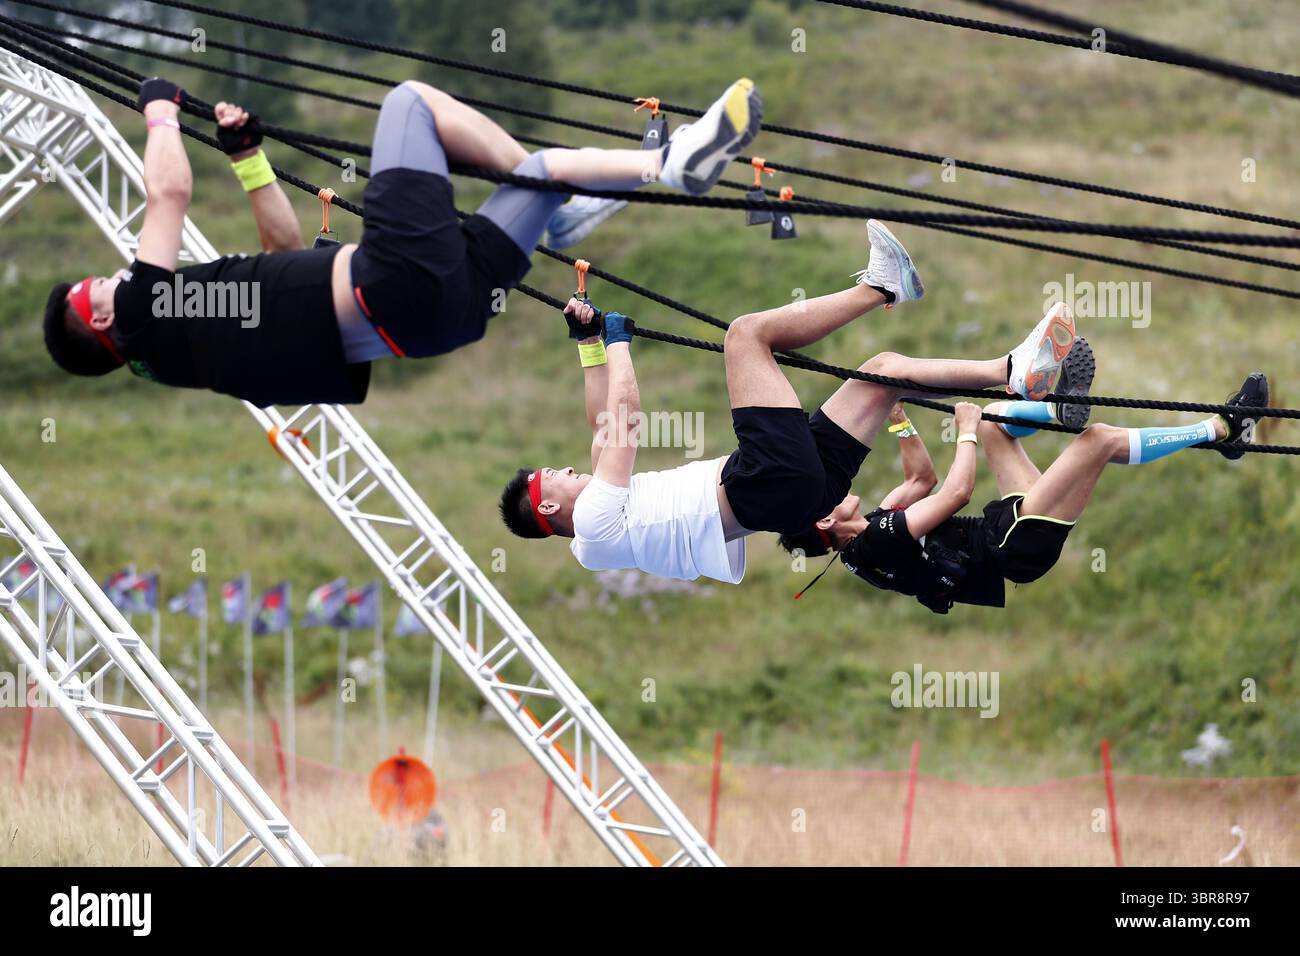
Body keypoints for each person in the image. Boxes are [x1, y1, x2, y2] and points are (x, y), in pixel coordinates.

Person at [41, 75, 763, 407]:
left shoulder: (188, 343)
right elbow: (167, 193)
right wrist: (159, 112)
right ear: (100, 318)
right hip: (391, 275)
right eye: (98, 286)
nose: (115, 278)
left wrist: (249, 159)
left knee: (541, 173)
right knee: (406, 101)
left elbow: (282, 257)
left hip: (440, 319)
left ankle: (668, 167)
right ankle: (576, 205)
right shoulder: (143, 313)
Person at [499, 220, 1093, 585]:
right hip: (761, 485)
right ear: (547, 506)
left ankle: (1013, 373)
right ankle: (881, 288)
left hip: (785, 496)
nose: (570, 469)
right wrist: (622, 343)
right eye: (557, 475)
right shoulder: (594, 528)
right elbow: (623, 428)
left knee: (881, 373)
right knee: (745, 336)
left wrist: (591, 347)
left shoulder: (597, 533)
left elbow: (602, 429)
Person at [778, 374, 1269, 613]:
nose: (836, 489)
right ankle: (1223, 428)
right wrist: (963, 430)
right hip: (1013, 544)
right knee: (1094, 442)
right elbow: (954, 493)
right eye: (828, 497)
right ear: (824, 522)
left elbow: (918, 481)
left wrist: (898, 417)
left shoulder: (866, 541)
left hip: (1006, 528)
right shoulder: (878, 538)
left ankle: (1060, 411)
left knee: (997, 426)